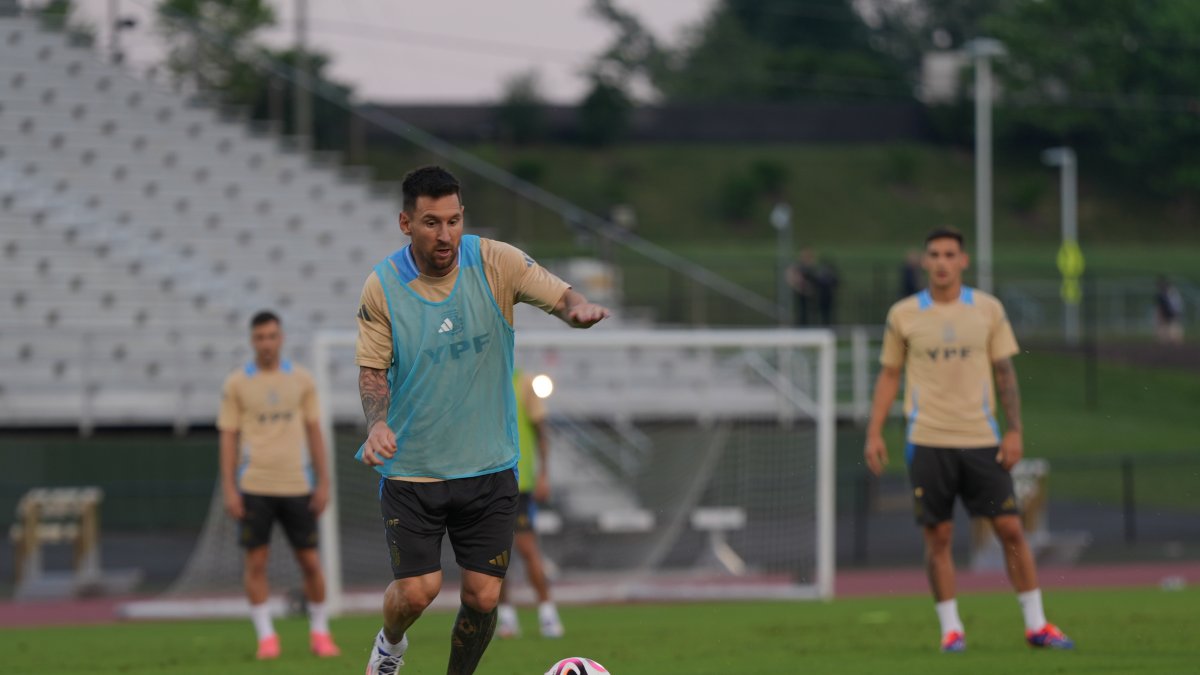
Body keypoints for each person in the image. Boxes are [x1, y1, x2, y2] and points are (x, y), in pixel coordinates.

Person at [354, 165, 610, 675]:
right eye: (431, 223)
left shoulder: (496, 261)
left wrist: (577, 310)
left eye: (453, 220)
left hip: (489, 468)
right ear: (406, 223)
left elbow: (562, 296)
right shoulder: (382, 286)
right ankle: (389, 645)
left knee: (483, 596)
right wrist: (377, 424)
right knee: (418, 591)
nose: (445, 234)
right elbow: (372, 373)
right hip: (414, 470)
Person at [863, 227, 1074, 654]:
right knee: (938, 536)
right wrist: (874, 432)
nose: (941, 262)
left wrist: (1014, 431)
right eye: (934, 254)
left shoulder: (987, 310)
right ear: (925, 262)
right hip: (927, 440)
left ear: (963, 261)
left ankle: (1036, 624)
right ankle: (951, 629)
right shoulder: (904, 314)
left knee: (1010, 528)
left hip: (981, 439)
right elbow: (889, 375)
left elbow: (1004, 372)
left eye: (949, 254)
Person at [217, 310, 340, 660]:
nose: (266, 343)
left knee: (311, 563)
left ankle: (320, 633)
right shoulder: (237, 383)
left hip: (297, 485)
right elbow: (228, 437)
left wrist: (324, 482)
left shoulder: (302, 380)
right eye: (260, 337)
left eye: (272, 336)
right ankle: (267, 638)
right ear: (252, 340)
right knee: (256, 562)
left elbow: (315, 432)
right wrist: (229, 487)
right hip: (254, 485)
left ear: (281, 338)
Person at [496, 369, 564, 639]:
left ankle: (548, 613)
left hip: (518, 482)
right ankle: (507, 619)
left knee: (527, 549)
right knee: (494, 556)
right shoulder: (478, 380)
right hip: (485, 484)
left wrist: (544, 474)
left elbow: (541, 431)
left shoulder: (522, 382)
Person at [786, 248, 818, 326]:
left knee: (811, 312)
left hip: (811, 292)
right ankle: (801, 326)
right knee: (801, 312)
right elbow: (792, 277)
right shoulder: (798, 267)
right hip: (801, 292)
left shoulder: (812, 267)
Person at [1155, 276, 1184, 344]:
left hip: (1172, 313)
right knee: (1164, 330)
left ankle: (1175, 343)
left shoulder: (1172, 293)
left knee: (1173, 330)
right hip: (1166, 313)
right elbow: (1160, 306)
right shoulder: (1161, 294)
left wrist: (1176, 312)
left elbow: (1176, 304)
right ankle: (1166, 344)